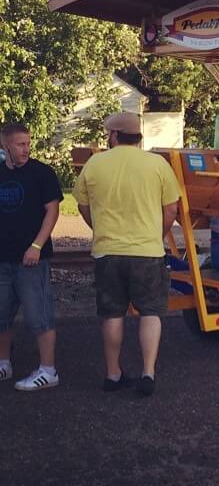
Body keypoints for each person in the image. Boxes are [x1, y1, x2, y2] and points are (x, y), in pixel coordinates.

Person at [73, 112, 180, 397]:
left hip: (108, 252)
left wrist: (99, 228)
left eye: (109, 133)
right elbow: (172, 209)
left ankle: (113, 374)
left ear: (115, 135)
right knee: (151, 312)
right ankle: (148, 372)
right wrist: (155, 235)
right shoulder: (157, 164)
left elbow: (82, 203)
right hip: (147, 251)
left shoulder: (95, 163)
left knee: (112, 313)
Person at [0, 122, 63, 391]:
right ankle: (3, 364)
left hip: (31, 260)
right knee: (1, 314)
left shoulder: (42, 174)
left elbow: (52, 210)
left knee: (39, 315)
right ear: (5, 146)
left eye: (28, 143)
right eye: (20, 144)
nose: (26, 149)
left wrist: (36, 246)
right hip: (3, 258)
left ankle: (48, 370)